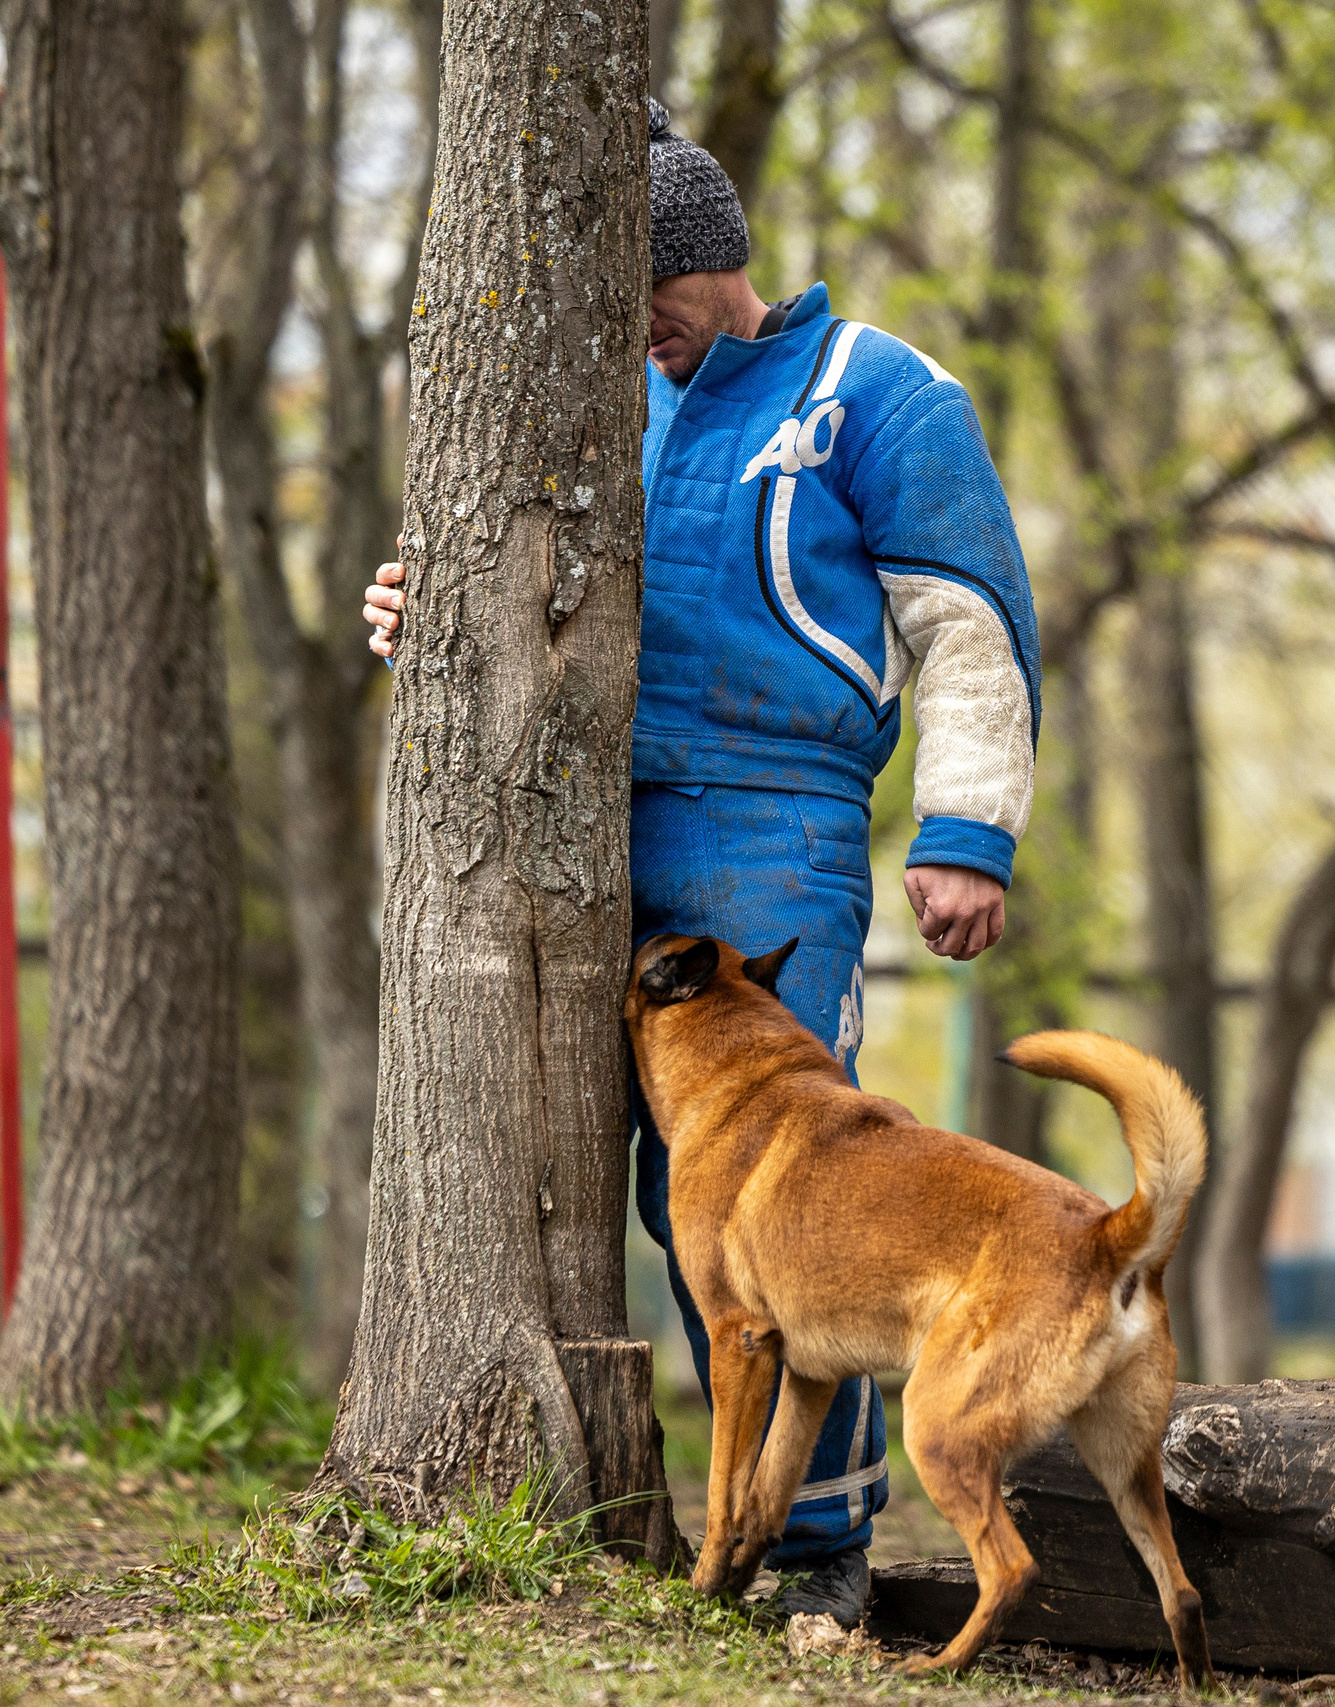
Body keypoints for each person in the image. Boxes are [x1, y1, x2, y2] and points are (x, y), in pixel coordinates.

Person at [363, 98, 1040, 1625]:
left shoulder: (876, 388)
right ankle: (628, 1505)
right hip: (575, 830)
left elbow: (970, 621)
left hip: (771, 830)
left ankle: (813, 1558)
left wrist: (965, 836)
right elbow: (509, 582)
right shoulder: (592, 400)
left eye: (650, 305)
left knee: (766, 1215)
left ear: (709, 261)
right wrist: (428, 619)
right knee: (549, 1166)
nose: (638, 337)